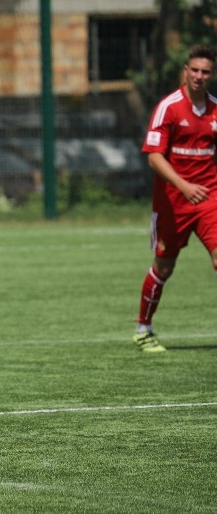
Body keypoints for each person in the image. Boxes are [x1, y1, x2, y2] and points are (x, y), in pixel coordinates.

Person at [134, 44, 217, 353]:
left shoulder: (215, 109)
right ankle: (144, 329)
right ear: (185, 71)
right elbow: (154, 157)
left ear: (212, 75)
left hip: (209, 197)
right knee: (164, 268)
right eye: (194, 70)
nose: (199, 76)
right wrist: (183, 186)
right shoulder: (169, 107)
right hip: (173, 201)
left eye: (205, 72)